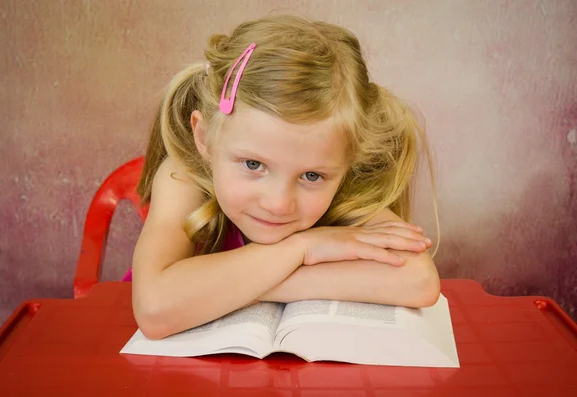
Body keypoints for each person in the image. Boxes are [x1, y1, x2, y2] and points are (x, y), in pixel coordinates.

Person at [129, 15, 441, 340]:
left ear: (346, 164)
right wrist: (302, 248)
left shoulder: (341, 190)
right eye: (253, 165)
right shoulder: (184, 179)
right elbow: (154, 309)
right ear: (205, 138)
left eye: (311, 175)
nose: (278, 204)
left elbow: (418, 279)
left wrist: (233, 289)